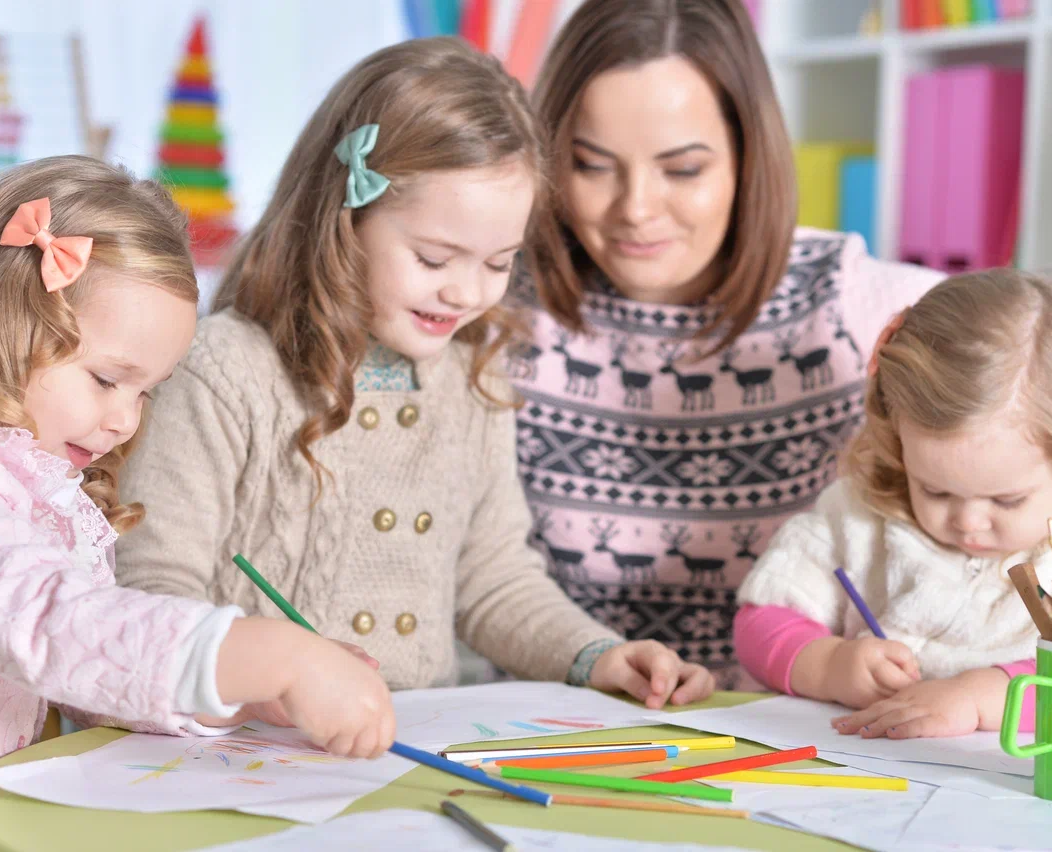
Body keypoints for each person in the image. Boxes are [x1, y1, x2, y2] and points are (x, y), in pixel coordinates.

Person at [510, 0, 1052, 688]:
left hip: (787, 720)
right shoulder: (499, 300)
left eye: (683, 170)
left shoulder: (840, 295)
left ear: (747, 157)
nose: (636, 208)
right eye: (592, 165)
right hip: (565, 711)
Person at [115, 38, 715, 709]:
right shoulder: (222, 372)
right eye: (434, 259)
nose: (466, 292)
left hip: (411, 742)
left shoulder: (475, 382)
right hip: (245, 745)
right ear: (344, 221)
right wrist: (263, 679)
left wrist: (597, 654)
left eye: (499, 263)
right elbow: (152, 587)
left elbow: (495, 582)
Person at [0, 156, 395, 852]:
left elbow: (89, 674)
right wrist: (272, 653)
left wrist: (237, 692)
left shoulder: (35, 494)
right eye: (106, 379)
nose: (126, 421)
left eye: (146, 391)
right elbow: (56, 628)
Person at [736, 269, 1052, 737]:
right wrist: (828, 665)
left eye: (1007, 500)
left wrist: (984, 699)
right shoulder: (857, 515)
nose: (969, 522)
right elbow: (761, 620)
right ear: (897, 441)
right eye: (935, 491)